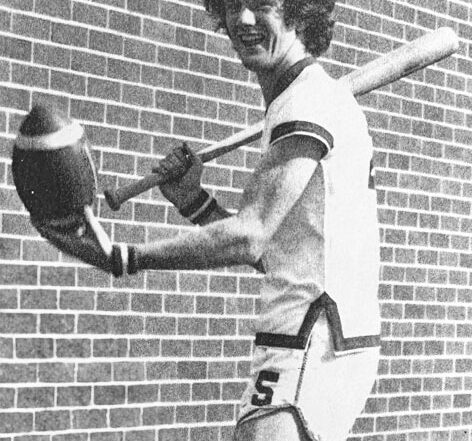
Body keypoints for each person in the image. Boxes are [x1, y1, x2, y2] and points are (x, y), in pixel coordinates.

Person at [35, 0, 382, 440]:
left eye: (262, 5)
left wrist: (124, 256)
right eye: (234, 4)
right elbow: (280, 255)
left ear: (298, 11)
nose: (243, 18)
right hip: (329, 341)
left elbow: (249, 237)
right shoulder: (309, 97)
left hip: (310, 341)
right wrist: (194, 202)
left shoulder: (307, 100)